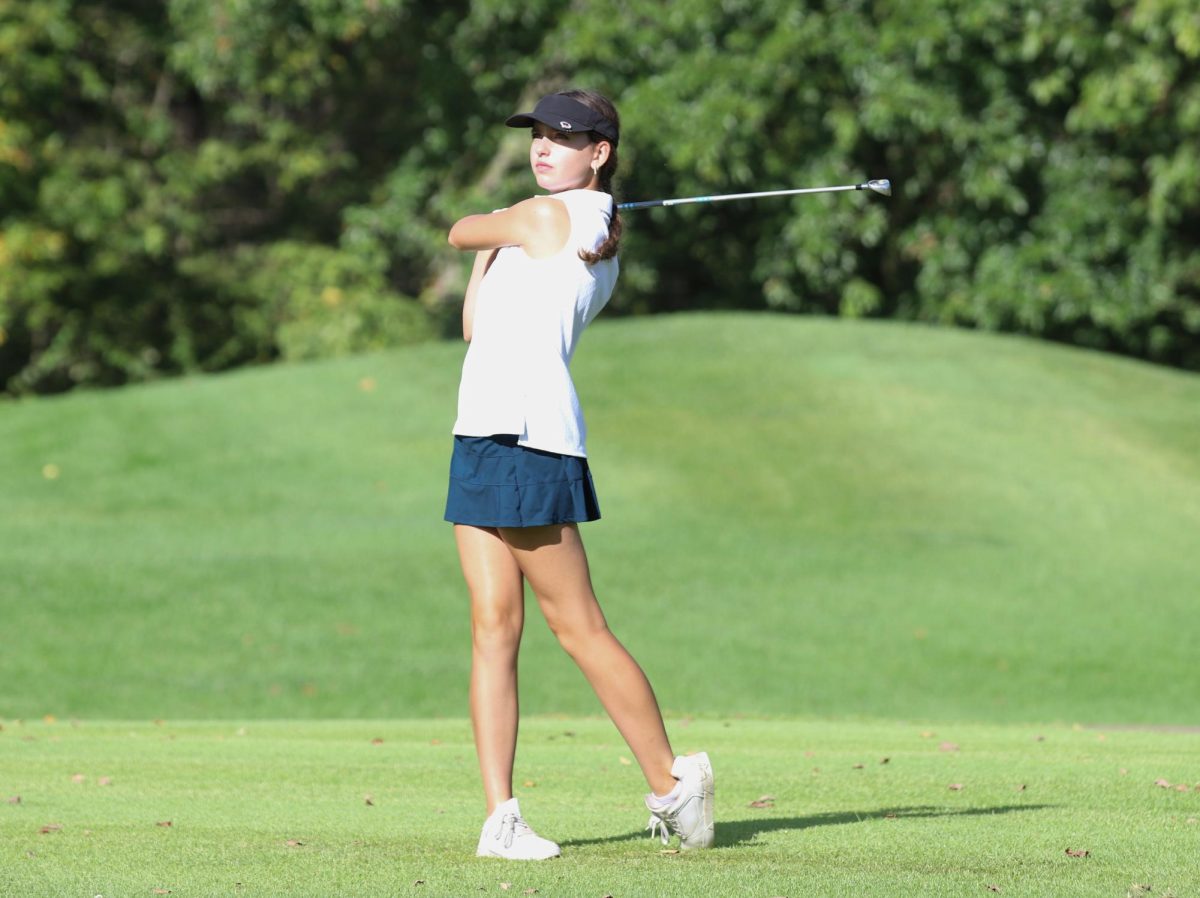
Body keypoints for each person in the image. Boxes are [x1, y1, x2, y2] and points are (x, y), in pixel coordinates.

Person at [444, 89, 715, 861]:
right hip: (481, 432)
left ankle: (674, 782)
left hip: (529, 440)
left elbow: (458, 228)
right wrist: (495, 244)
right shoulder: (574, 231)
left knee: (577, 626)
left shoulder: (545, 218)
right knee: (492, 628)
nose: (543, 148)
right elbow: (476, 325)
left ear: (599, 153)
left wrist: (495, 227)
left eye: (564, 138)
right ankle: (501, 818)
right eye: (538, 135)